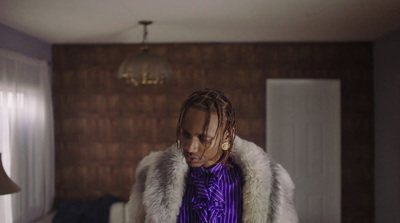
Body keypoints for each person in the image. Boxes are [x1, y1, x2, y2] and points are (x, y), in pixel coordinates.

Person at [127, 89, 298, 223]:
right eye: (186, 134)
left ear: (226, 136)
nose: (190, 147)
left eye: (204, 139)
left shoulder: (266, 182)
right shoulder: (153, 176)